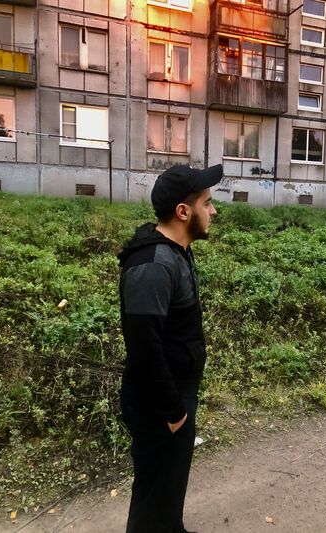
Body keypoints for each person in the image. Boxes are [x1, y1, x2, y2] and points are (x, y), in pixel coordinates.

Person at [118, 163, 223, 533]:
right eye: (206, 203)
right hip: (159, 404)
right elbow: (144, 349)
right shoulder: (152, 266)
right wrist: (174, 411)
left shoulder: (176, 251)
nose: (213, 211)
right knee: (153, 493)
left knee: (168, 487)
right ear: (183, 211)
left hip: (174, 396)